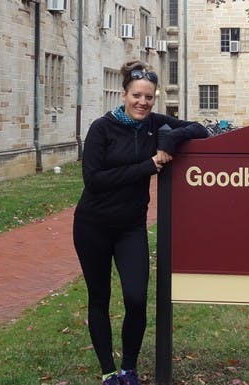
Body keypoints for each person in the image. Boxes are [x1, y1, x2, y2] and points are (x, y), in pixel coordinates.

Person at [74, 60, 208, 385]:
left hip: (131, 227)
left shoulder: (153, 124)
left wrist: (168, 141)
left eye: (149, 97)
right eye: (137, 95)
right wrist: (147, 166)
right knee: (99, 297)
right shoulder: (101, 128)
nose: (143, 103)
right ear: (124, 94)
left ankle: (128, 368)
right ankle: (108, 371)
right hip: (92, 225)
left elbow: (200, 129)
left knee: (136, 298)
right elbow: (94, 180)